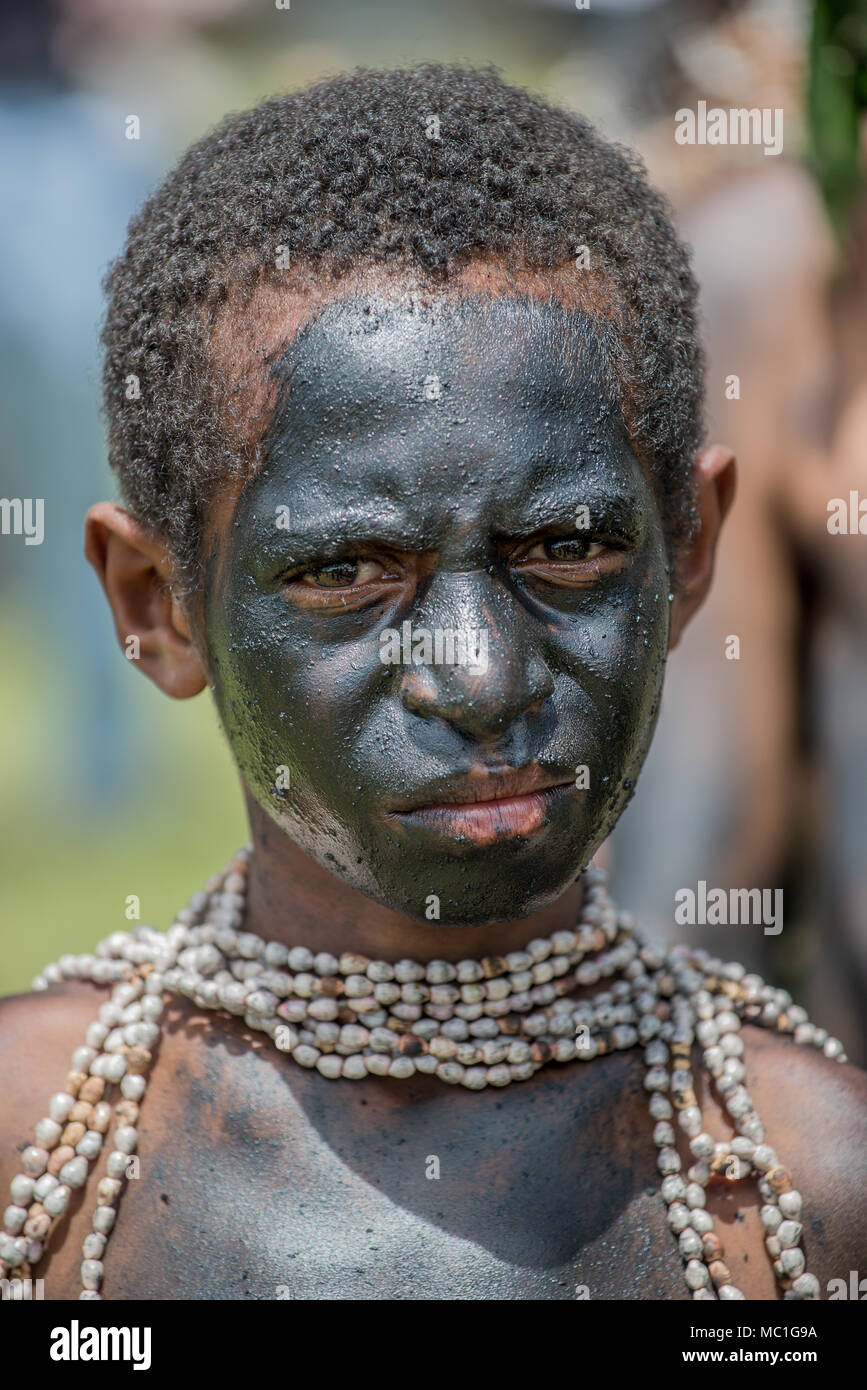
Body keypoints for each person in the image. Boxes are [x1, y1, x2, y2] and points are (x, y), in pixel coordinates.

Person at [1, 65, 864, 1302]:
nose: (478, 677)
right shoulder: (40, 1157)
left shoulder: (799, 1188)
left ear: (688, 549)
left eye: (566, 548)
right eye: (348, 569)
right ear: (158, 606)